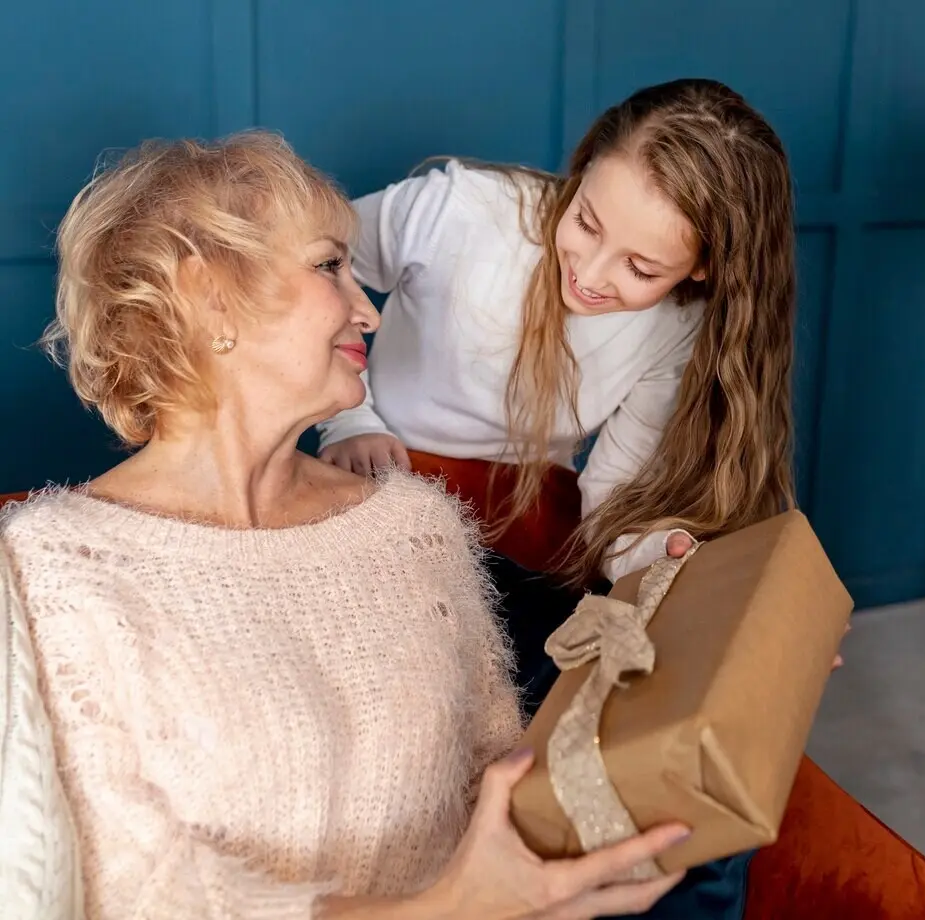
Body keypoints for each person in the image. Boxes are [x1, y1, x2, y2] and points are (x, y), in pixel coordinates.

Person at [0, 131, 693, 920]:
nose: (368, 308)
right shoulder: (53, 568)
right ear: (210, 293)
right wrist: (448, 909)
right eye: (331, 265)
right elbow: (132, 885)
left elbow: (500, 781)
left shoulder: (414, 524)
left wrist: (709, 649)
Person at [314, 78, 799, 589]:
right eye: (587, 224)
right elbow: (301, 283)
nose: (588, 277)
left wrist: (664, 557)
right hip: (380, 473)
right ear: (585, 166)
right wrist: (349, 422)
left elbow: (613, 495)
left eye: (640, 268)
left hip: (525, 509)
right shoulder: (460, 211)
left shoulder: (679, 327)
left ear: (703, 268)